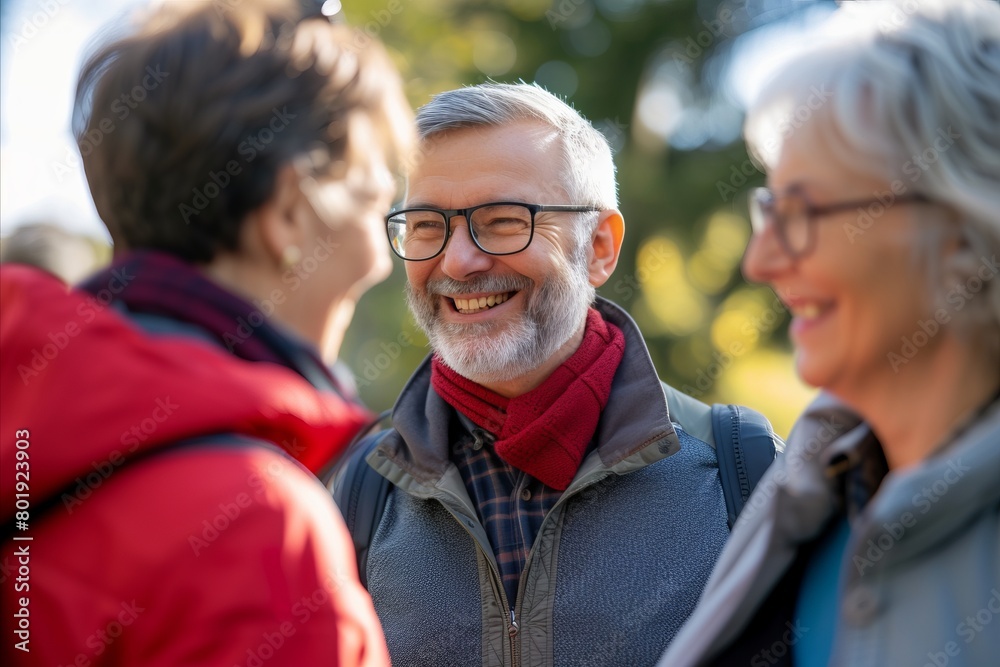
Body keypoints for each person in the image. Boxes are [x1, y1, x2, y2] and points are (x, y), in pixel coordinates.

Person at [0, 1, 414, 665]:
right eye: (374, 201)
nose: (382, 254)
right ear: (286, 214)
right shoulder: (259, 528)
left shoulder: (28, 422)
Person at [333, 82, 779, 667]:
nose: (458, 261)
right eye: (424, 226)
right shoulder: (361, 490)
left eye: (502, 220)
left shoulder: (740, 471)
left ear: (600, 246)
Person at [657, 1, 1000, 665]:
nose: (761, 263)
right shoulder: (811, 487)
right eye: (768, 209)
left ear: (964, 227)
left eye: (803, 212)